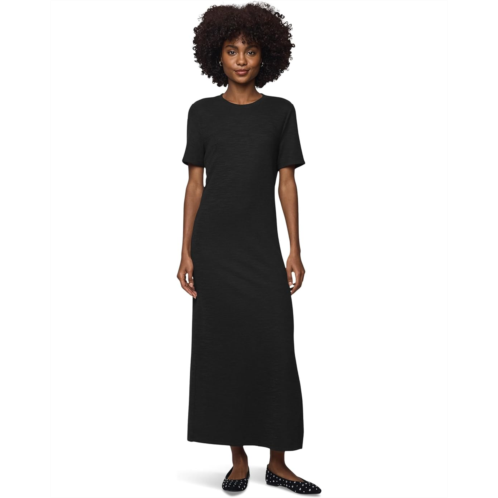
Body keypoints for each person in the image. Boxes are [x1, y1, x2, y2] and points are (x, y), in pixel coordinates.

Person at [178, 3, 321, 494]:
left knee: (275, 347)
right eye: (232, 50)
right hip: (214, 251)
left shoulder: (281, 112)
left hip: (262, 250)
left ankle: (278, 463)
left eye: (251, 50)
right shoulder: (201, 113)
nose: (241, 60)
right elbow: (194, 185)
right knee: (224, 350)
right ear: (216, 55)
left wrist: (295, 250)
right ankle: (238, 459)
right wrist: (185, 251)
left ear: (267, 56)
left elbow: (287, 184)